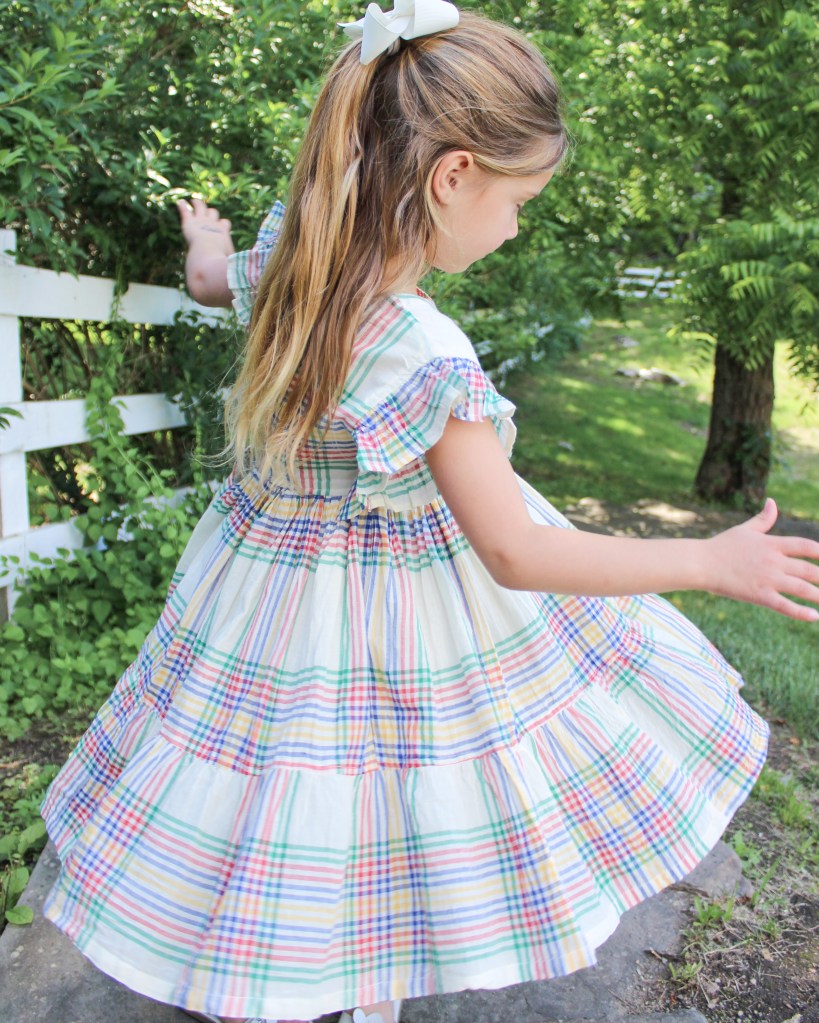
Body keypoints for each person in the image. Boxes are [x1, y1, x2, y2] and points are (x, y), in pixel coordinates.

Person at [41, 4, 819, 1023]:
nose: (518, 225)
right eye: (520, 200)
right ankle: (359, 981)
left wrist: (206, 239)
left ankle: (271, 967)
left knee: (277, 781)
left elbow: (204, 281)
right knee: (381, 784)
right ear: (453, 176)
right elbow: (515, 551)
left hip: (261, 594)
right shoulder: (418, 347)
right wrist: (707, 562)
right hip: (387, 616)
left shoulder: (291, 257)